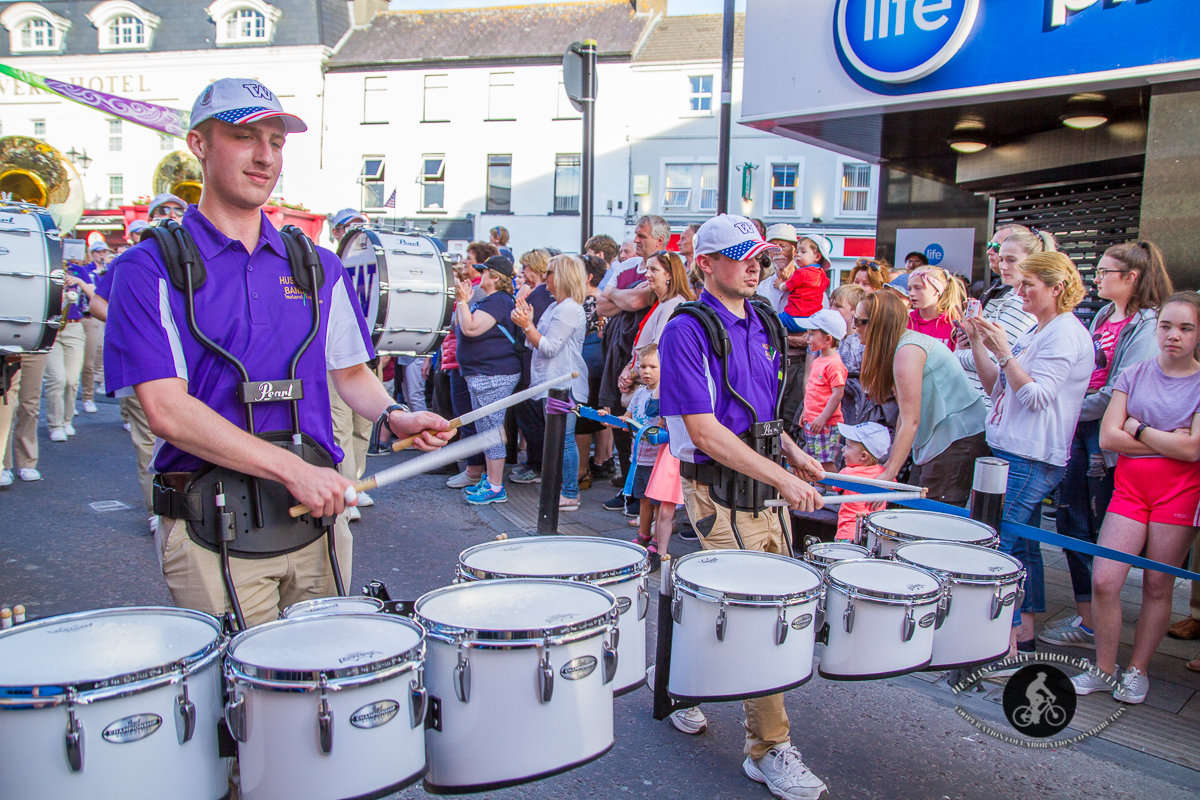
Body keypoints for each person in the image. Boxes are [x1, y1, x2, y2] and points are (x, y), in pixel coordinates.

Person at [103, 78, 452, 627]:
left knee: (324, 693)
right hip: (211, 525)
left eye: (276, 141)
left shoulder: (317, 264)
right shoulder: (146, 268)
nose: (265, 156)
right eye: (245, 136)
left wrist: (393, 414)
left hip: (317, 522)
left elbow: (352, 373)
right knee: (244, 704)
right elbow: (166, 411)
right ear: (199, 144)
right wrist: (291, 469)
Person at [659, 214, 827, 799]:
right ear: (705, 263)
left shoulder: (764, 320)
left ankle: (682, 683)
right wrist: (781, 472)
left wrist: (791, 451)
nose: (756, 263)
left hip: (761, 484)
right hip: (718, 491)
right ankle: (769, 748)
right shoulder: (686, 329)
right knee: (758, 617)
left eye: (759, 254)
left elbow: (757, 415)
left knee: (738, 611)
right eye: (740, 254)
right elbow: (704, 431)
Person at [1041, 240, 1174, 650]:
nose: (1096, 278)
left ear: (1131, 278)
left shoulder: (1148, 325)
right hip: (1080, 426)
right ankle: (1088, 619)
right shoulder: (1102, 314)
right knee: (1070, 521)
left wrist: (1067, 408)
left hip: (1107, 434)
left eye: (1104, 272)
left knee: (1097, 528)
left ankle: (1102, 625)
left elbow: (1121, 390)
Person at [1071, 292, 1200, 703]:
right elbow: (1110, 436)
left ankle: (1138, 669)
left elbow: (1193, 451)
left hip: (1179, 492)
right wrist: (1168, 441)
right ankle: (1104, 669)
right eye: (1166, 326)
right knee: (1106, 579)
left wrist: (1139, 430)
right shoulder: (1135, 372)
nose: (1173, 336)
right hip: (1130, 490)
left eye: (1185, 328)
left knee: (1158, 584)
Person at [963, 251, 1092, 657]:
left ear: (1057, 288)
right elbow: (996, 389)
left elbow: (1036, 397)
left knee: (998, 543)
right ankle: (1022, 633)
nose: (1018, 292)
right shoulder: (1040, 330)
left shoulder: (1065, 334)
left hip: (1030, 454)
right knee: (1022, 547)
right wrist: (978, 343)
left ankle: (1005, 641)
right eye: (1019, 284)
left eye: (1027, 285)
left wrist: (1003, 351)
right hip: (1012, 447)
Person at [859, 290, 988, 504]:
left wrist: (890, 472)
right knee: (919, 504)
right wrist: (891, 465)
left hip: (957, 437)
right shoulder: (899, 347)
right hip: (943, 438)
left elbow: (911, 420)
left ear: (877, 323)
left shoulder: (907, 351)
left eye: (858, 321)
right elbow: (905, 414)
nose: (854, 328)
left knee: (933, 511)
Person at [512, 254, 589, 511]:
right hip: (555, 382)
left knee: (564, 439)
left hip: (563, 383)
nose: (545, 276)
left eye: (550, 272)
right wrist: (529, 324)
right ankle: (564, 490)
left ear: (563, 277)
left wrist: (527, 325)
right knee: (557, 438)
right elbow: (536, 341)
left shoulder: (568, 308)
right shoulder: (559, 306)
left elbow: (548, 347)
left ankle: (570, 492)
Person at [598, 216, 662, 515]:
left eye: (642, 236)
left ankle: (641, 494)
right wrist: (621, 297)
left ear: (660, 240)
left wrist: (618, 296)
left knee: (640, 419)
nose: (637, 240)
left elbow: (638, 300)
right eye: (635, 235)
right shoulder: (626, 267)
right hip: (617, 345)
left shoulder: (663, 266)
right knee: (618, 413)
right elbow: (601, 305)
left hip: (641, 353)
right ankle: (628, 485)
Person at [454, 255, 521, 505]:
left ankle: (495, 486)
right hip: (484, 373)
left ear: (494, 277)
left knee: (491, 430)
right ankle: (491, 481)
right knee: (486, 430)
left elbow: (470, 328)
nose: (479, 274)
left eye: (484, 271)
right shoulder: (495, 300)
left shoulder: (498, 301)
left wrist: (462, 301)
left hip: (493, 374)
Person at [954, 229, 1044, 404]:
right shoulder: (1004, 295)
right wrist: (967, 344)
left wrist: (957, 354)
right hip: (977, 402)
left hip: (986, 405)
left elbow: (992, 360)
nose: (1003, 266)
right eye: (1001, 259)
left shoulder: (1021, 304)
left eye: (1011, 260)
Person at [326, 208, 375, 519]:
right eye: (350, 227)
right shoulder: (328, 263)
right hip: (337, 357)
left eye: (362, 226)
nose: (358, 232)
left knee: (363, 423)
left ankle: (356, 483)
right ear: (336, 233)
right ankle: (345, 491)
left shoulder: (372, 263)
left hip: (369, 354)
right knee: (340, 422)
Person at [443, 241, 498, 490]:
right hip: (456, 361)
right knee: (466, 416)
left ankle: (474, 470)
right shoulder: (471, 289)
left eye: (469, 258)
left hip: (466, 364)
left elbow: (465, 327)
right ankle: (473, 468)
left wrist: (462, 302)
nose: (464, 261)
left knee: (470, 419)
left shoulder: (478, 292)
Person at [508, 248, 555, 484]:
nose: (521, 271)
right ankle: (534, 462)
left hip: (532, 361)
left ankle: (537, 465)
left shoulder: (542, 297)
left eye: (525, 266)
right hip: (528, 359)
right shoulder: (537, 294)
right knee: (528, 412)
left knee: (532, 413)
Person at [44, 245, 99, 442]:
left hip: (74, 327)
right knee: (57, 378)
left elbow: (95, 295)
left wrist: (78, 281)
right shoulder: (44, 266)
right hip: (50, 327)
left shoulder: (77, 269)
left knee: (71, 379)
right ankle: (56, 424)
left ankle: (67, 421)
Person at [623, 344, 665, 565]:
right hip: (639, 457)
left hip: (656, 458)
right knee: (643, 499)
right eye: (642, 366)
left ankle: (658, 539)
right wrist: (614, 419)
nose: (646, 371)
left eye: (653, 366)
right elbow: (628, 417)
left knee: (658, 502)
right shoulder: (639, 393)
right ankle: (644, 533)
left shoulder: (666, 393)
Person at [576, 254, 613, 489]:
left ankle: (582, 473)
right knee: (601, 414)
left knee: (583, 418)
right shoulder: (605, 300)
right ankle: (602, 461)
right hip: (602, 362)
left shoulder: (586, 303)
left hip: (588, 363)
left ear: (588, 277)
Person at [800, 309, 848, 473]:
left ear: (828, 339)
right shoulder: (819, 360)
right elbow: (813, 391)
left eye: (812, 334)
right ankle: (819, 487)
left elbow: (838, 393)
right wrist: (805, 412)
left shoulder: (834, 364)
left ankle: (832, 491)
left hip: (826, 423)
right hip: (812, 420)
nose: (808, 338)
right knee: (814, 458)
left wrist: (823, 417)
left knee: (825, 461)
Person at [833, 421, 891, 541]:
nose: (843, 449)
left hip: (848, 533)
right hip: (873, 535)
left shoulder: (847, 474)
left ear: (863, 456)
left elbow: (835, 487)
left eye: (848, 446)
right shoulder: (885, 474)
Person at [78, 240, 112, 415]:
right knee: (85, 360)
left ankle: (92, 391)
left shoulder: (109, 268)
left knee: (99, 351)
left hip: (101, 315)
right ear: (92, 253)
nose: (102, 254)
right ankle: (82, 397)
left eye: (104, 251)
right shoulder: (86, 270)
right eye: (98, 251)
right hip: (85, 316)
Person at [830, 284, 868, 426]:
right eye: (831, 305)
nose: (832, 310)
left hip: (853, 405)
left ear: (855, 310)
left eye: (838, 306)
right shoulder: (826, 336)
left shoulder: (863, 342)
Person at [778, 236, 830, 333]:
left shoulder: (801, 273)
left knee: (772, 320)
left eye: (803, 251)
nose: (798, 255)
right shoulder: (822, 275)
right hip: (812, 320)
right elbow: (826, 284)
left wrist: (779, 285)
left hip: (793, 316)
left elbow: (786, 287)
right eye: (797, 252)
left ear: (817, 256)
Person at [906, 265, 964, 349]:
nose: (911, 293)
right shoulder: (904, 321)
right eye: (909, 288)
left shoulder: (955, 325)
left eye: (918, 288)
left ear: (937, 290)